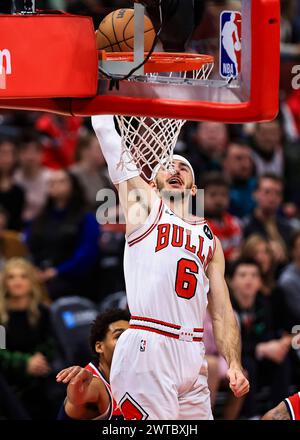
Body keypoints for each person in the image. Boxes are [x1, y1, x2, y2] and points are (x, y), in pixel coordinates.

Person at [92, 114, 249, 420]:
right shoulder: (145, 208)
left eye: (184, 168)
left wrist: (233, 363)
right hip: (149, 344)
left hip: (193, 354)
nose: (176, 169)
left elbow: (221, 311)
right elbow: (109, 140)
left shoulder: (210, 240)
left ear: (193, 189)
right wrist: (100, 106)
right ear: (153, 182)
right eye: (168, 166)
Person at [230, 258, 291, 418]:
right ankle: (252, 416)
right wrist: (260, 348)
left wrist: (279, 344)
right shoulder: (228, 306)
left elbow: (270, 333)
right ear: (232, 281)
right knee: (247, 364)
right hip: (234, 360)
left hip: (259, 357)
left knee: (282, 360)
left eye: (254, 275)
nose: (249, 280)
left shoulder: (263, 304)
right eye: (243, 275)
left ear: (260, 282)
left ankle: (278, 413)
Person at [27, 170, 100, 300]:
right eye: (51, 182)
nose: (55, 185)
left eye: (61, 181)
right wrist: (34, 270)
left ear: (73, 186)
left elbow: (87, 253)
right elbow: (29, 244)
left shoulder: (85, 217)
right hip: (41, 274)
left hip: (72, 279)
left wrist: (58, 271)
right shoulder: (41, 217)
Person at [0, 258, 56, 419]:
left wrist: (38, 360)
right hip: (8, 380)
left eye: (23, 276)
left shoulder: (42, 311)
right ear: (5, 283)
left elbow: (50, 344)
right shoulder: (1, 317)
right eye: (12, 277)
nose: (17, 281)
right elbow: (0, 351)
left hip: (40, 376)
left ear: (31, 281)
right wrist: (25, 362)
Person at [56, 309, 130, 420]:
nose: (128, 341)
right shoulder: (94, 385)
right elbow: (85, 393)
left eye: (131, 337)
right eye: (119, 336)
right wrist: (78, 393)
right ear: (99, 347)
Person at [203, 172, 242, 262]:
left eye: (223, 195)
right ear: (200, 196)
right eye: (213, 195)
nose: (218, 200)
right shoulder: (195, 226)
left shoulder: (236, 223)